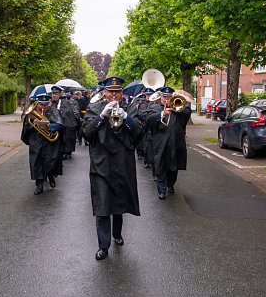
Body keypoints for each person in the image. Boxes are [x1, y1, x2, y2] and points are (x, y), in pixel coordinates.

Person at [82, 76, 144, 260]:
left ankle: (117, 234)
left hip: (122, 162)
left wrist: (126, 118)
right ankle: (103, 245)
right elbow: (86, 133)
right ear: (105, 92)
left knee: (119, 202)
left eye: (117, 91)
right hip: (101, 163)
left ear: (122, 92)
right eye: (111, 91)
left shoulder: (130, 107)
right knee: (102, 204)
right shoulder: (94, 108)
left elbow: (140, 132)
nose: (114, 95)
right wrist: (102, 116)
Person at [145, 86, 191, 200]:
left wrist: (177, 107)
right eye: (164, 97)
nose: (166, 99)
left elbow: (187, 114)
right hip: (160, 143)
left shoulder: (178, 109)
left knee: (173, 167)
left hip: (175, 143)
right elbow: (148, 119)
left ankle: (170, 184)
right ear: (161, 97)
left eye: (169, 97)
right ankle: (161, 190)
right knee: (160, 166)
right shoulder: (155, 108)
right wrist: (163, 113)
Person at [21, 92, 63, 195]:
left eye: (45, 104)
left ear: (49, 103)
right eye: (41, 104)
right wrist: (33, 125)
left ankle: (50, 175)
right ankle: (39, 185)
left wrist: (49, 127)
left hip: (49, 142)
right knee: (37, 161)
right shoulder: (31, 113)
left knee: (51, 160)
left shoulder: (54, 111)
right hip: (36, 140)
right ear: (37, 103)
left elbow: (60, 125)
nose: (43, 107)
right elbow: (26, 127)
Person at [50, 86, 80, 160]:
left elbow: (69, 114)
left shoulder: (65, 103)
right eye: (53, 94)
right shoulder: (49, 103)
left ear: (60, 94)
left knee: (67, 136)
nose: (54, 95)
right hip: (54, 125)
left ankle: (67, 151)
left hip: (65, 125)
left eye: (56, 94)